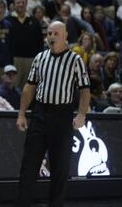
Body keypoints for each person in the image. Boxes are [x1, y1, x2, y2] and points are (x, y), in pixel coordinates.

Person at [16, 21, 90, 207]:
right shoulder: (40, 58)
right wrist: (22, 113)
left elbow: (85, 90)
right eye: (49, 33)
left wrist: (81, 114)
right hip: (40, 114)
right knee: (29, 165)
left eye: (56, 33)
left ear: (65, 36)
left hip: (62, 116)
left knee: (60, 168)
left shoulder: (75, 60)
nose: (52, 37)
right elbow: (29, 87)